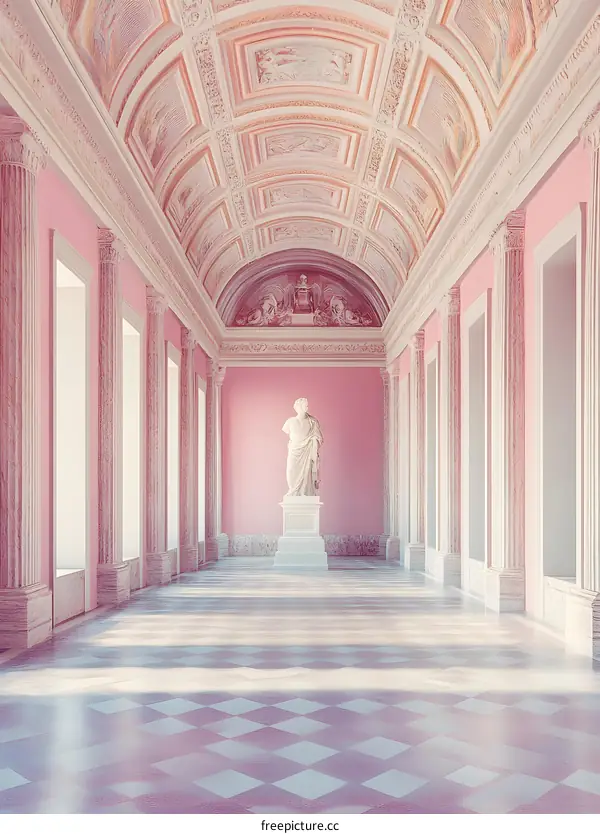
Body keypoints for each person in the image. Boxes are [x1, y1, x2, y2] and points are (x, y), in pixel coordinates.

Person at [282, 398, 323, 496]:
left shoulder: (313, 422)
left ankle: (305, 492)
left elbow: (318, 436)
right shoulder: (290, 421)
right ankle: (293, 491)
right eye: (305, 405)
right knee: (291, 471)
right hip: (294, 451)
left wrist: (313, 442)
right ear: (299, 407)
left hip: (307, 451)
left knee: (306, 474)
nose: (307, 407)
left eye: (307, 405)